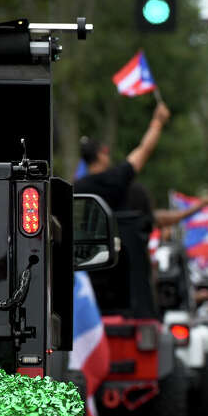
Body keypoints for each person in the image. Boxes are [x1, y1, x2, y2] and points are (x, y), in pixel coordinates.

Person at [76, 102, 172, 319]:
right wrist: (157, 121)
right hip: (126, 281)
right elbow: (143, 151)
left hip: (87, 285)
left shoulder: (76, 188)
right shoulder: (116, 180)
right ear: (101, 155)